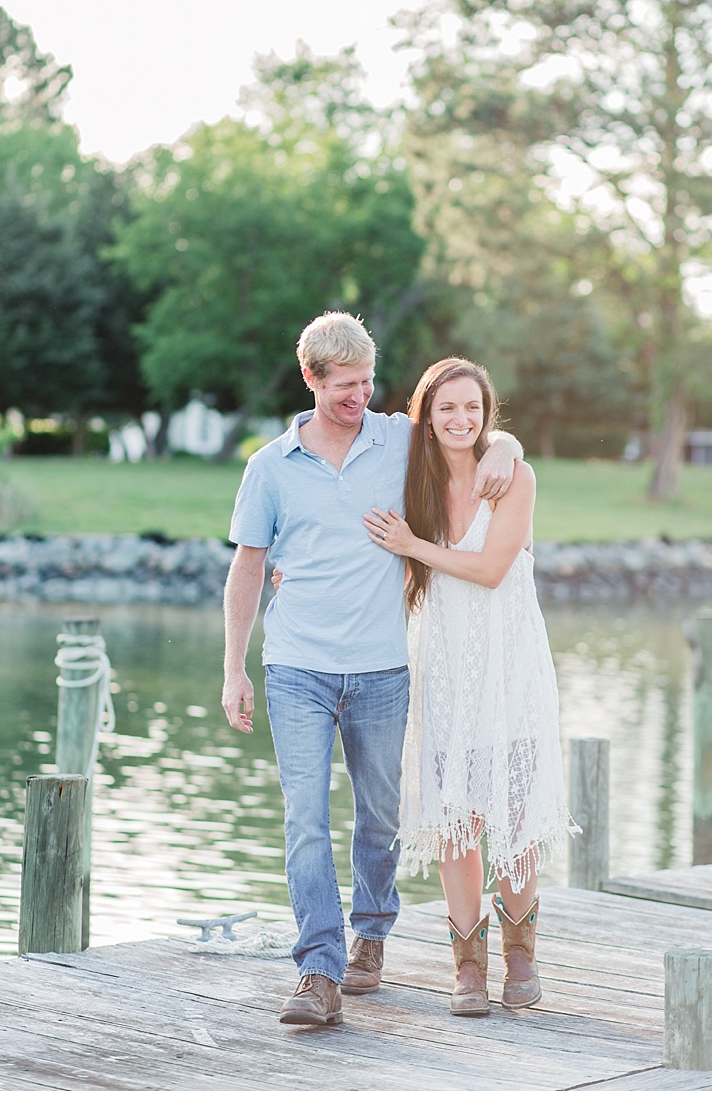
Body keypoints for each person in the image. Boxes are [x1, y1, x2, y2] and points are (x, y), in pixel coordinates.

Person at [221, 312, 515, 1027]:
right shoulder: (269, 467)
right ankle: (317, 970)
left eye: (367, 383)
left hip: (383, 668)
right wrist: (234, 668)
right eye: (345, 387)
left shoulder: (397, 438)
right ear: (310, 378)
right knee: (305, 819)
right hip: (296, 668)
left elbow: (462, 425)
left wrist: (506, 441)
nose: (359, 397)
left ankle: (372, 929)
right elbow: (248, 568)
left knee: (379, 816)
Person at [360, 357, 567, 1019]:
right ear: (426, 414)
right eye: (446, 407)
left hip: (508, 665)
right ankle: (467, 967)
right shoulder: (409, 481)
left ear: (487, 412)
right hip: (443, 666)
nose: (461, 419)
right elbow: (374, 553)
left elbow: (489, 567)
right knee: (456, 821)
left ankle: (522, 955)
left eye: (473, 408)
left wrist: (415, 545)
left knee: (513, 816)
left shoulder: (510, 474)